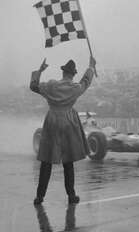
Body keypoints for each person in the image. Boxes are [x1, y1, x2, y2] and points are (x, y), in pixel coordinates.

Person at [30, 56, 96, 205]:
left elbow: (33, 86)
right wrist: (91, 67)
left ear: (63, 73)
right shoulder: (75, 88)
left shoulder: (51, 85)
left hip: (52, 121)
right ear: (73, 74)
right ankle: (71, 196)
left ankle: (39, 197)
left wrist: (39, 71)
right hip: (68, 123)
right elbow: (86, 81)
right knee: (68, 161)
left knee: (46, 162)